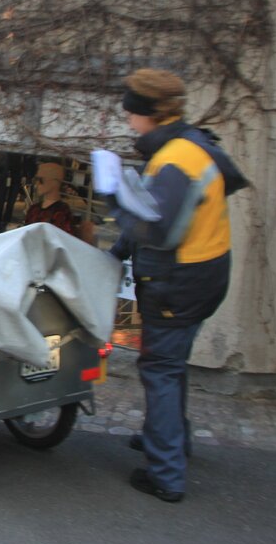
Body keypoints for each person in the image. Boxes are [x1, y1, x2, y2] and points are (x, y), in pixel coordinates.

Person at [105, 68, 247, 503]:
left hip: (178, 282)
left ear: (147, 114)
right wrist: (119, 250)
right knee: (172, 362)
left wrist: (113, 198)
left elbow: (159, 232)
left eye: (131, 114)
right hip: (206, 274)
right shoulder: (193, 144)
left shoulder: (173, 162)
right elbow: (162, 212)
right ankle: (168, 439)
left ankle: (166, 472)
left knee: (160, 369)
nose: (128, 122)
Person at [24, 162, 96, 245]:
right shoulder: (34, 209)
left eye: (41, 180)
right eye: (35, 180)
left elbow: (63, 241)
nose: (36, 184)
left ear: (54, 182)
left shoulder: (60, 212)